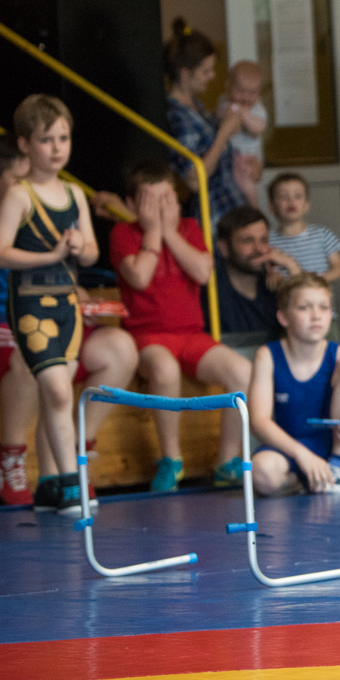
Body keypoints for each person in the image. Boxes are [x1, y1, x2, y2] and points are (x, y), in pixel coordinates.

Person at [0, 135, 137, 507]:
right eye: (18, 180)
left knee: (119, 348)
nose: (28, 188)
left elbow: (64, 268)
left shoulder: (53, 208)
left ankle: (76, 452)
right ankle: (11, 454)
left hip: (52, 318)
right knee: (32, 353)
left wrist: (77, 292)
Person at [0, 95, 99, 514]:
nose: (57, 148)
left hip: (67, 305)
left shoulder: (74, 193)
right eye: (46, 139)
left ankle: (51, 483)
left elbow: (90, 254)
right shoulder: (19, 194)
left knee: (59, 393)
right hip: (31, 303)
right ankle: (74, 484)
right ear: (24, 145)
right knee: (53, 390)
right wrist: (51, 256)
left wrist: (77, 246)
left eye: (63, 138)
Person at [111, 160, 252, 492]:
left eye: (167, 200)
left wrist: (169, 232)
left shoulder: (188, 228)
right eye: (151, 201)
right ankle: (170, 459)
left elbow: (203, 273)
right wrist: (152, 231)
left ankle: (226, 461)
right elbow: (139, 276)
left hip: (191, 335)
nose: (161, 208)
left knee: (243, 371)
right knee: (165, 370)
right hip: (145, 337)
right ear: (132, 205)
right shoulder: (123, 233)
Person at [248, 273, 340, 495]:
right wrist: (301, 455)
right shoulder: (267, 356)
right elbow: (258, 421)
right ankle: (316, 480)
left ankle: (338, 467)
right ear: (284, 317)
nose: (316, 316)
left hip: (334, 445)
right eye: (304, 308)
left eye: (324, 308)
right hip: (291, 447)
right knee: (261, 473)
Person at [164, 20, 248, 223]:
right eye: (205, 71)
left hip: (231, 208)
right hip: (214, 217)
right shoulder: (176, 115)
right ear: (184, 73)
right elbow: (194, 179)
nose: (212, 76)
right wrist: (223, 133)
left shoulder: (198, 107)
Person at [210, 205, 292, 340]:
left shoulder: (275, 285)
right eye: (248, 241)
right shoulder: (210, 289)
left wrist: (292, 268)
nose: (259, 249)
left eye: (264, 240)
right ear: (224, 248)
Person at [267, 172, 340, 282]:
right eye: (283, 197)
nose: (291, 201)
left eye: (298, 196)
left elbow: (339, 268)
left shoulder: (322, 234)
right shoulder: (268, 240)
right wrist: (272, 277)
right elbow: (269, 270)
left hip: (316, 296)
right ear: (272, 206)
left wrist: (314, 282)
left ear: (306, 206)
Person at [216, 60, 268, 204]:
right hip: (228, 158)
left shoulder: (257, 109)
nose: (246, 97)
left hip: (247, 160)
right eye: (240, 91)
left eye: (252, 93)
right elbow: (221, 116)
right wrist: (233, 112)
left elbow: (259, 127)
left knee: (248, 191)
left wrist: (243, 114)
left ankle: (253, 211)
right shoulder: (224, 102)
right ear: (228, 86)